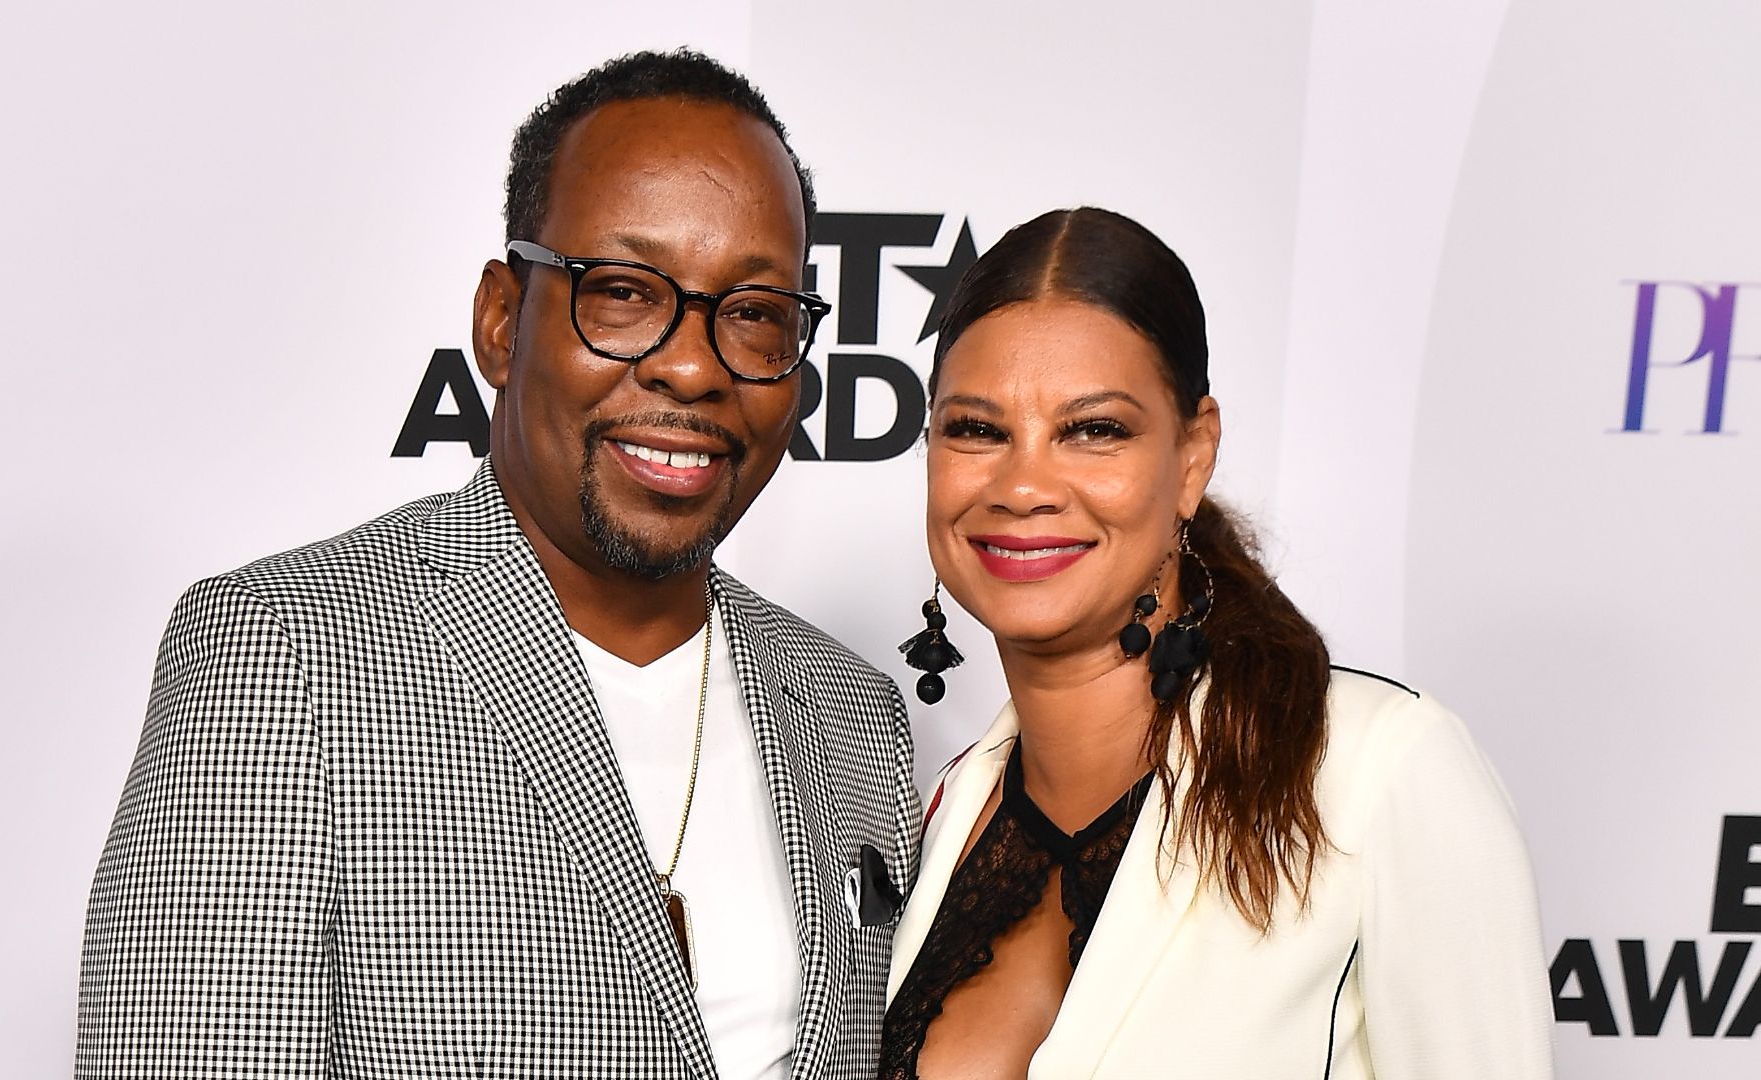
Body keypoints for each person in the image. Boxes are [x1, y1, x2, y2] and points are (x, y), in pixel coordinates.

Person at [76, 50, 918, 1080]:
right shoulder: (285, 653)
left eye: (754, 314)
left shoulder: (851, 712)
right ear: (503, 321)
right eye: (622, 292)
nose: (693, 366)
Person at [881, 208, 1552, 1078]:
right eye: (977, 429)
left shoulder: (1379, 771)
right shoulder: (940, 814)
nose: (1023, 484)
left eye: (1094, 431)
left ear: (1193, 457)